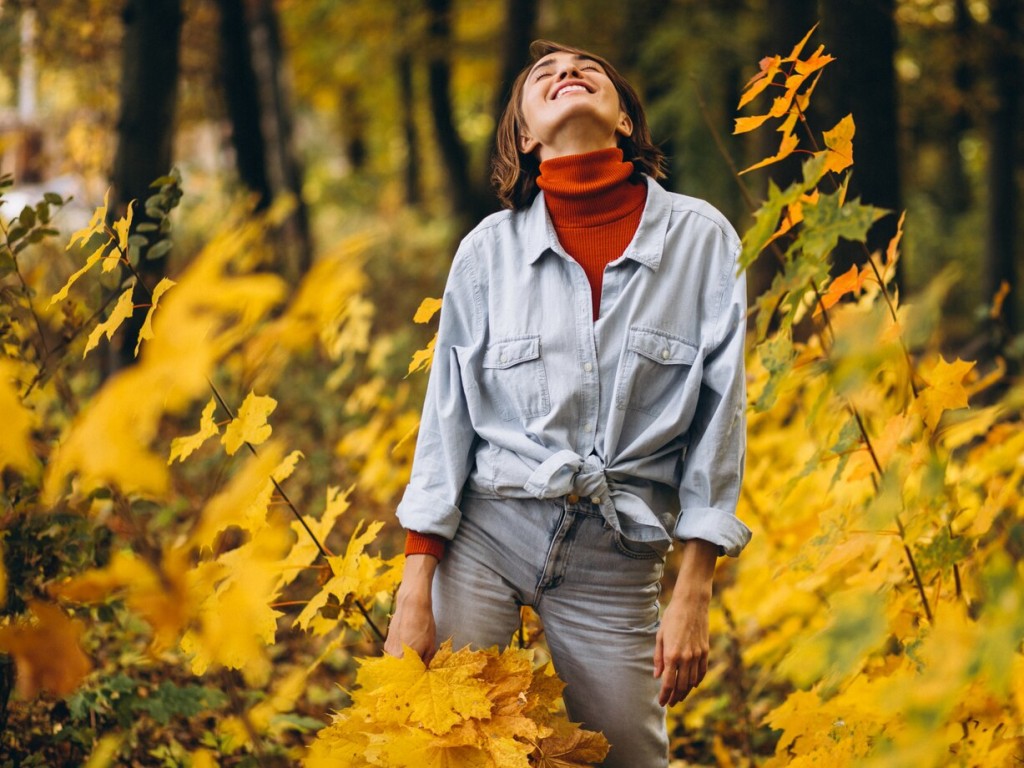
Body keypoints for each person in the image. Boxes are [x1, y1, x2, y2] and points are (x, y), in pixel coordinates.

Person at [384, 39, 751, 768]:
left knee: (632, 760)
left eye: (589, 69)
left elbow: (721, 421)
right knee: (444, 746)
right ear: (525, 135)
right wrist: (414, 586)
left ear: (624, 122)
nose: (567, 73)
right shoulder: (487, 253)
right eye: (544, 75)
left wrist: (695, 584)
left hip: (618, 555)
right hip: (489, 531)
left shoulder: (701, 240)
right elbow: (446, 422)